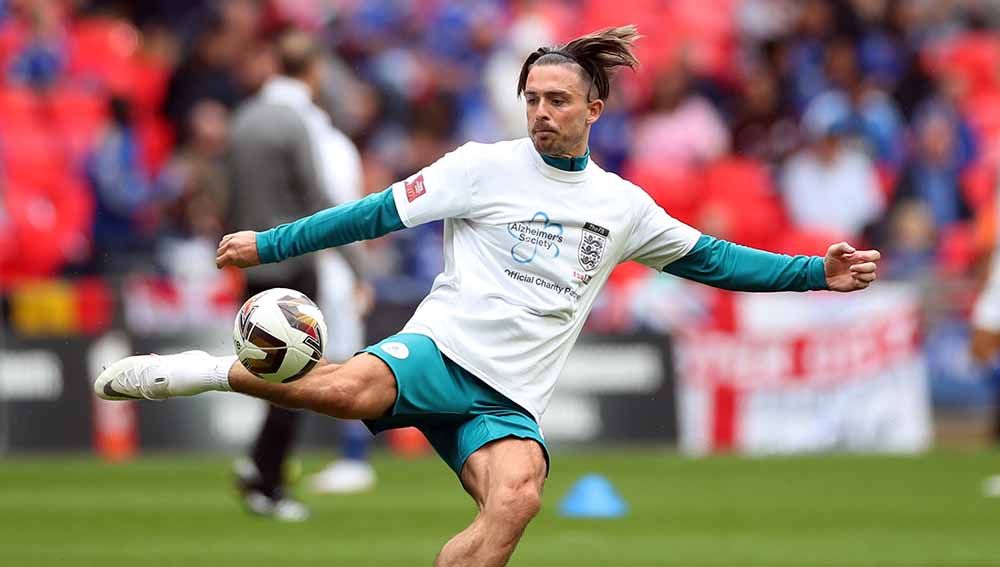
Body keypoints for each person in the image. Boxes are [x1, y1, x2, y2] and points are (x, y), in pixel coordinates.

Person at [96, 26, 881, 567]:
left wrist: (817, 271)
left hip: (509, 398)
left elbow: (712, 259)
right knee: (343, 389)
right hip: (441, 350)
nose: (541, 111)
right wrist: (270, 243)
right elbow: (374, 211)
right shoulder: (480, 165)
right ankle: (203, 369)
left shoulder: (623, 208)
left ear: (593, 110)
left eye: (558, 100)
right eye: (533, 97)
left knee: (517, 501)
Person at [224, 29, 371, 520]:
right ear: (313, 72)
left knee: (266, 371)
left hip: (249, 264)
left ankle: (259, 464)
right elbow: (317, 201)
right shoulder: (296, 122)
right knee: (293, 375)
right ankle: (269, 483)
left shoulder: (243, 119)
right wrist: (357, 264)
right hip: (291, 267)